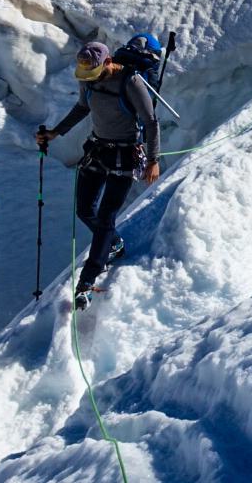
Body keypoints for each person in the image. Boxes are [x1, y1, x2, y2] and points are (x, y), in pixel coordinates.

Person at [37, 40, 161, 308]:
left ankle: (88, 278)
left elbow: (151, 122)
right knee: (85, 209)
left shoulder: (131, 82)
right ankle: (113, 243)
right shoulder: (89, 79)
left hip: (125, 155)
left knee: (106, 216)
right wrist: (56, 132)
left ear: (107, 62)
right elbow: (83, 107)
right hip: (98, 149)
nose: (88, 79)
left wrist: (153, 160)